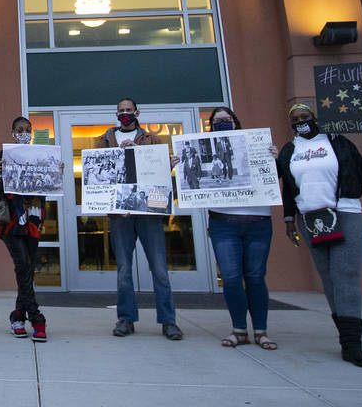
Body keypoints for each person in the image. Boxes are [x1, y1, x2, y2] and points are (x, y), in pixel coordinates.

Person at [280, 103, 362, 367]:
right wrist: (288, 219)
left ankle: (354, 345)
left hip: (345, 213)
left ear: (315, 118)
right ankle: (346, 337)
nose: (301, 121)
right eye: (295, 119)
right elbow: (287, 187)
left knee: (346, 275)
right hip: (310, 220)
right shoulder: (289, 150)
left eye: (305, 117)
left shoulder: (337, 142)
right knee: (328, 277)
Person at [98, 97, 184, 341]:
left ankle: (169, 322)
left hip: (148, 211)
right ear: (116, 114)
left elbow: (159, 171)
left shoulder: (152, 139)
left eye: (129, 110)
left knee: (159, 269)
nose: (125, 113)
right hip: (120, 214)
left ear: (137, 112)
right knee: (124, 269)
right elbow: (99, 174)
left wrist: (168, 164)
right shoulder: (105, 140)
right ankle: (126, 318)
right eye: (121, 111)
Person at [204, 107, 279, 350]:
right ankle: (239, 329)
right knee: (231, 278)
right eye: (217, 121)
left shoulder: (256, 146)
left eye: (226, 120)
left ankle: (260, 331)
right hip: (223, 224)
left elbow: (276, 178)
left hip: (258, 223)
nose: (221, 123)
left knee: (256, 277)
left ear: (236, 122)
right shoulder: (206, 150)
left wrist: (275, 160)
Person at [0, 116, 49, 341]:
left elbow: (47, 187)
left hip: (33, 220)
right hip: (11, 221)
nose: (24, 133)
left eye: (27, 129)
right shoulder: (3, 155)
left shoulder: (41, 155)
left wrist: (54, 171)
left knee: (27, 268)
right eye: (19, 130)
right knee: (22, 264)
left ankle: (18, 315)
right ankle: (37, 317)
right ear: (13, 133)